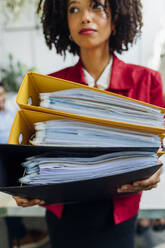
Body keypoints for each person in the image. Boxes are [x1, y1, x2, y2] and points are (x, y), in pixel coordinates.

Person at [13, 0, 164, 247]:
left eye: (97, 6)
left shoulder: (147, 82)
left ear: (115, 19)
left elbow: (156, 151)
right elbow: (32, 151)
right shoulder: (48, 90)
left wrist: (156, 170)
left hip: (118, 215)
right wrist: (24, 184)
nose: (85, 17)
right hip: (64, 214)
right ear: (66, 23)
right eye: (74, 9)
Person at [0, 82, 49, 248]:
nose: (1, 98)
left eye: (2, 93)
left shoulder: (11, 113)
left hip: (18, 153)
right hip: (3, 159)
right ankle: (18, 237)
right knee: (8, 192)